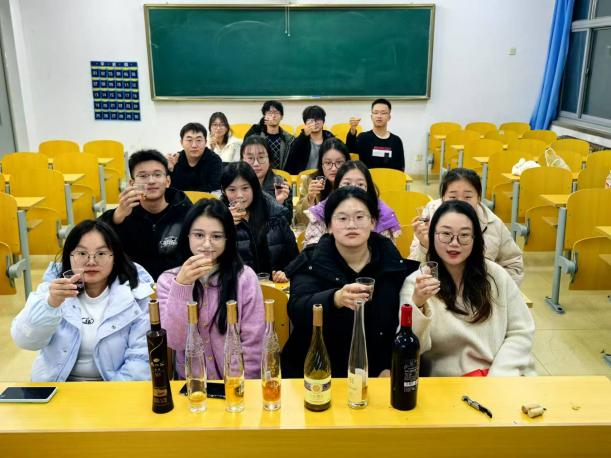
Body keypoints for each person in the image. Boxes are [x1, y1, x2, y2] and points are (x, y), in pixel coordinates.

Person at [281, 187, 419, 378]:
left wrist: (389, 365)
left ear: (373, 222)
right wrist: (335, 299)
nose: (351, 225)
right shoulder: (312, 260)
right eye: (342, 218)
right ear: (329, 225)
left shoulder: (391, 263)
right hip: (317, 370)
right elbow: (297, 310)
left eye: (360, 217)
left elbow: (395, 327)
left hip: (376, 373)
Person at [400, 200, 536, 376]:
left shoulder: (495, 275)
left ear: (475, 238)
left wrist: (498, 376)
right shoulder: (417, 283)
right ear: (432, 235)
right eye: (446, 234)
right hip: (451, 383)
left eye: (464, 235)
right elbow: (412, 349)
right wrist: (417, 305)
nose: (454, 243)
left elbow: (520, 331)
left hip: (502, 376)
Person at [11, 220, 153, 382]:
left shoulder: (136, 295)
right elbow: (25, 341)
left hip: (114, 388)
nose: (91, 261)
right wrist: (50, 305)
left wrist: (111, 394)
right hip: (59, 387)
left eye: (101, 253)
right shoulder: (52, 290)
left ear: (115, 257)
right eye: (82, 253)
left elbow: (140, 361)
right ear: (69, 257)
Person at [156, 199, 264, 380]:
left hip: (238, 386)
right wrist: (182, 286)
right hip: (192, 386)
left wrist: (237, 386)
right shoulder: (168, 280)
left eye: (216, 236)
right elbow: (175, 341)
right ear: (187, 236)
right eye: (199, 235)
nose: (207, 244)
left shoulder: (245, 278)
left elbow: (253, 344)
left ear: (228, 240)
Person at [409, 168, 524, 285]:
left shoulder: (493, 224)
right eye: (453, 197)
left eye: (468, 197)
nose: (460, 203)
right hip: (438, 288)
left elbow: (513, 264)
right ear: (443, 198)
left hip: (480, 290)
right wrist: (425, 245)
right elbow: (414, 268)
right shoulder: (430, 216)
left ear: (479, 198)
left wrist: (494, 290)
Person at [99, 149, 192, 280]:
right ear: (132, 183)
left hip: (177, 283)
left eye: (157, 174)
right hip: (133, 285)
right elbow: (92, 240)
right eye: (143, 176)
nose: (151, 181)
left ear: (168, 181)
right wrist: (116, 218)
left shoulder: (186, 211)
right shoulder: (122, 214)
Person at [221, 162, 298, 283]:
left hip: (276, 286)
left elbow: (295, 258)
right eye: (232, 190)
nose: (239, 195)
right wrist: (225, 227)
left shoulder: (275, 214)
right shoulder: (218, 219)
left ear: (254, 187)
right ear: (224, 191)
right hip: (239, 289)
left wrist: (286, 273)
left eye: (245, 188)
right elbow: (217, 266)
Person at [303, 160, 401, 248]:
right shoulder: (322, 211)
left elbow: (388, 255)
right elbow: (311, 252)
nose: (353, 190)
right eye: (347, 184)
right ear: (336, 188)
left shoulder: (382, 214)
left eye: (360, 185)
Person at [294, 137, 351, 225]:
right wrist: (310, 199)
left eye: (339, 162)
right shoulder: (310, 181)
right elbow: (300, 222)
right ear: (321, 164)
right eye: (328, 163)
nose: (333, 168)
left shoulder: (355, 180)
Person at [240, 135, 293, 219]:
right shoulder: (235, 184)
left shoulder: (280, 184)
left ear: (270, 159)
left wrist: (278, 203)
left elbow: (288, 221)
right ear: (242, 160)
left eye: (261, 157)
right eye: (250, 158)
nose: (256, 164)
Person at [346, 98, 405, 171]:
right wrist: (352, 130)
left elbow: (400, 167)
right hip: (368, 177)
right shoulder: (363, 137)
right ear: (371, 117)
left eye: (383, 113)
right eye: (376, 112)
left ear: (389, 117)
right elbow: (350, 149)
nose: (379, 116)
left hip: (389, 177)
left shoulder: (396, 141)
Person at [166, 122, 223, 192]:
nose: (194, 145)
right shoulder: (175, 160)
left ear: (205, 142)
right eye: (189, 140)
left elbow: (214, 188)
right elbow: (170, 190)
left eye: (198, 140)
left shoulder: (214, 160)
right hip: (180, 199)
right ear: (181, 142)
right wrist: (170, 169)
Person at [244, 100, 295, 169]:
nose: (273, 116)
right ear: (264, 116)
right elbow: (246, 143)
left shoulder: (289, 139)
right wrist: (261, 124)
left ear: (281, 117)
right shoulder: (256, 136)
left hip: (281, 174)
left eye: (276, 113)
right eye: (269, 113)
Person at [285, 105, 335, 174]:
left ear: (323, 121)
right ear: (305, 123)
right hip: (303, 177)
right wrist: (303, 135)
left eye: (318, 119)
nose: (315, 123)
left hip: (323, 177)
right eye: (311, 120)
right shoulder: (301, 140)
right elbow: (290, 157)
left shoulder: (330, 138)